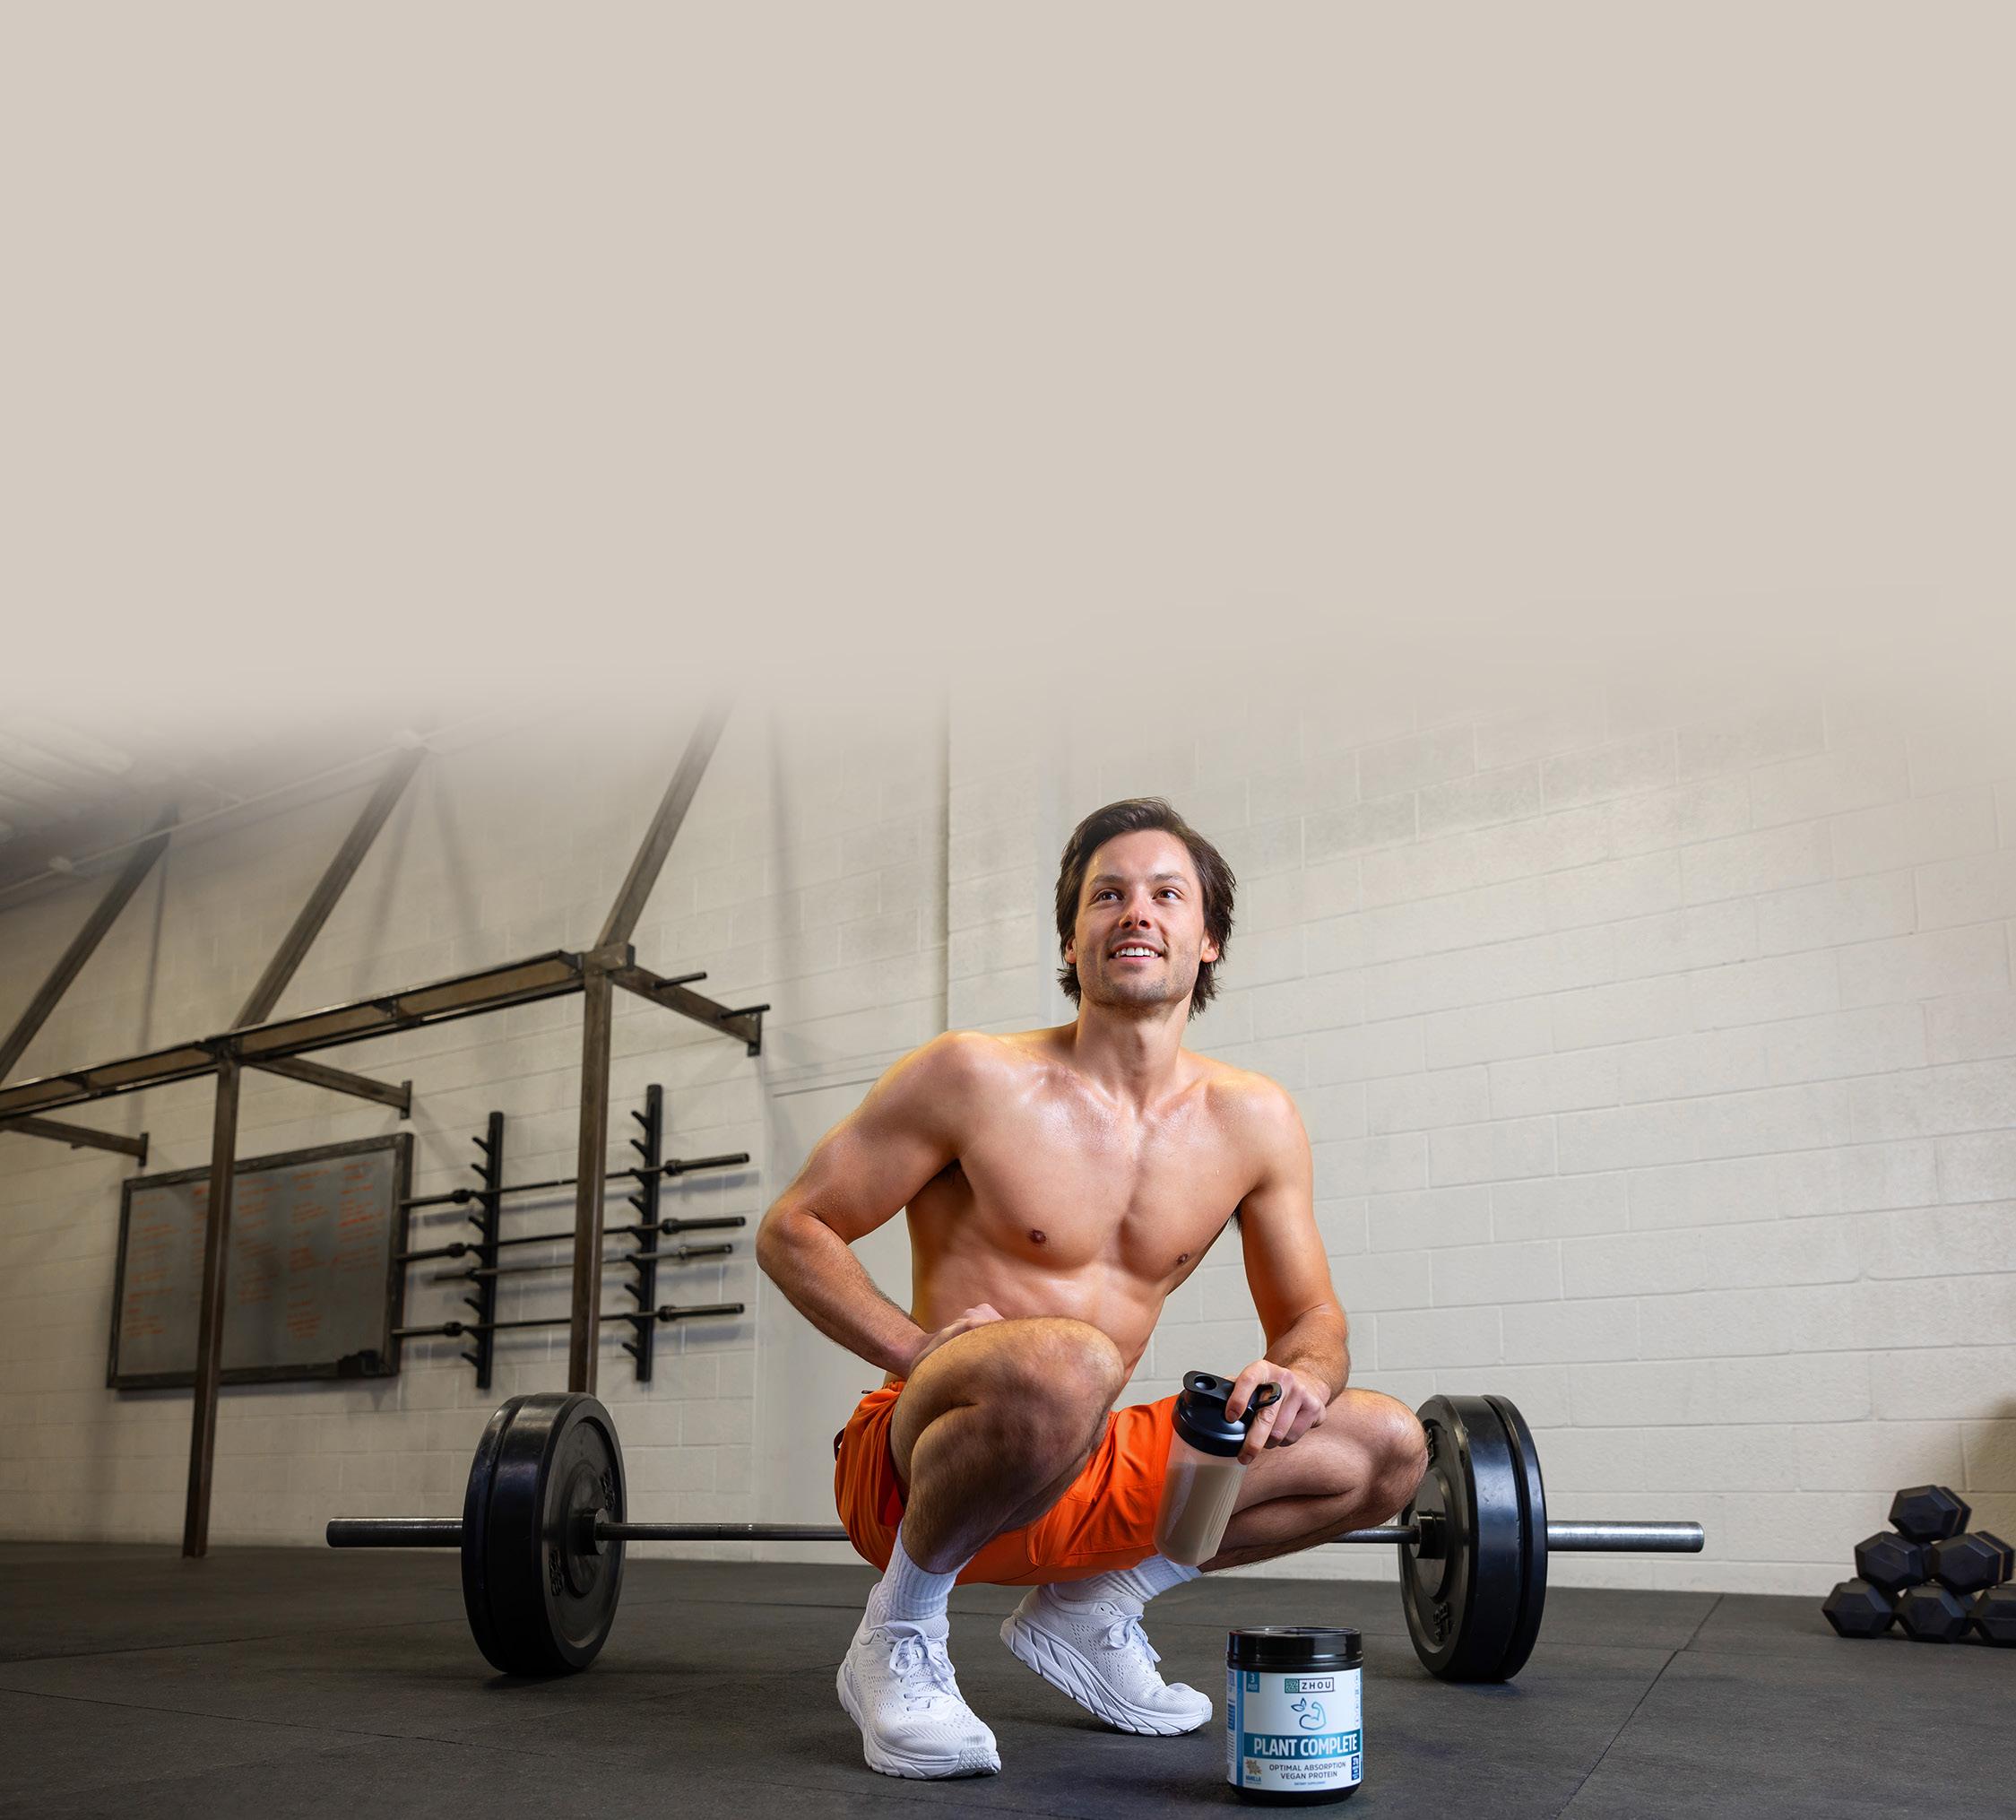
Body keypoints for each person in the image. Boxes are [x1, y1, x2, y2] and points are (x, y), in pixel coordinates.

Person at [756, 797, 1428, 1780]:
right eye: (1106, 894)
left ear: (1207, 938)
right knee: (1069, 1358)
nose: (1136, 911)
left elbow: (1309, 1318)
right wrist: (916, 1351)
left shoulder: (1253, 1120)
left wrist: (1304, 1376)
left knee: (1386, 1445)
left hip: (1080, 1465)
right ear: (1071, 940)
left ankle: (1090, 1604)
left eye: (1166, 894)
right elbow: (794, 1228)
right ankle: (895, 1631)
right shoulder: (970, 1075)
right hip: (922, 1464)